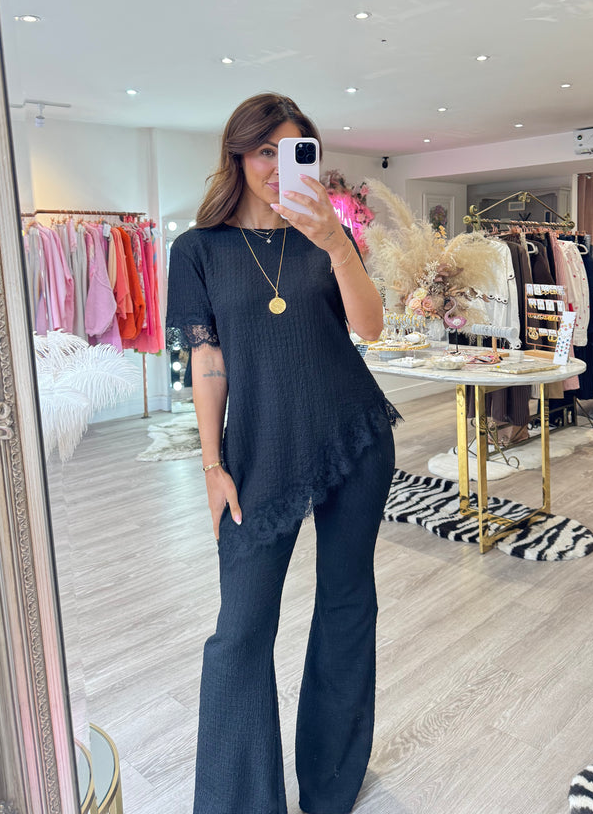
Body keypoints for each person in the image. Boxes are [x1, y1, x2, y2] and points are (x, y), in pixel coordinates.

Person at [165, 93, 400, 814]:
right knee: (240, 631)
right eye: (265, 151)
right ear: (237, 155)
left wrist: (335, 243)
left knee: (346, 605)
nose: (277, 166)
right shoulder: (197, 251)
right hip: (259, 451)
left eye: (293, 152)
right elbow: (209, 364)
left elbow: (371, 329)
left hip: (353, 437)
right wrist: (212, 466)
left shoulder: (327, 234)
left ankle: (330, 788)